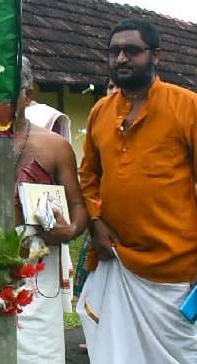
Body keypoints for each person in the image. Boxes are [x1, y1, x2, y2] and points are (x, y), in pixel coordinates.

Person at [77, 18, 197, 364]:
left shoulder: (188, 107)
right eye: (114, 51)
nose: (121, 58)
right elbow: (88, 176)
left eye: (132, 50)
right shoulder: (101, 112)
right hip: (116, 260)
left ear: (156, 56)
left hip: (173, 268)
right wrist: (96, 221)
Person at [0, 56, 88, 364]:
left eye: (8, 93)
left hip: (33, 267)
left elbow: (78, 206)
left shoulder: (54, 146)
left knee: (37, 354)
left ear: (28, 94)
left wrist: (71, 230)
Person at [73, 77, 119, 353]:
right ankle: (96, 336)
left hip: (132, 225)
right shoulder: (99, 120)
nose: (113, 92)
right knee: (97, 282)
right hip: (100, 220)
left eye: (117, 87)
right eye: (109, 87)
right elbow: (88, 172)